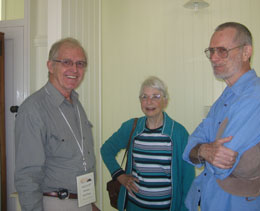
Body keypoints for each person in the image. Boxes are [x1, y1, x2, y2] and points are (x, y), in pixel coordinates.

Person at [182, 22, 260, 211]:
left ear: (246, 52)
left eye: (222, 50)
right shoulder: (225, 98)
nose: (214, 58)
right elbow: (190, 147)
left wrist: (202, 151)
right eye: (211, 51)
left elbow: (221, 165)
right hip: (210, 201)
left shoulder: (258, 96)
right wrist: (203, 151)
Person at [14, 38, 99, 211]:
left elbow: (78, 159)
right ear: (51, 66)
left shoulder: (76, 104)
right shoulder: (33, 109)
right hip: (55, 203)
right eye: (66, 62)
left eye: (80, 64)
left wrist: (89, 204)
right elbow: (27, 175)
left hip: (83, 201)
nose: (74, 69)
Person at [101, 76, 195, 211]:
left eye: (156, 96)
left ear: (165, 101)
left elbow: (188, 179)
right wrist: (119, 176)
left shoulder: (178, 133)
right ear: (140, 101)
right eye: (144, 97)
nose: (149, 102)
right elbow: (106, 150)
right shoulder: (131, 128)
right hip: (135, 207)